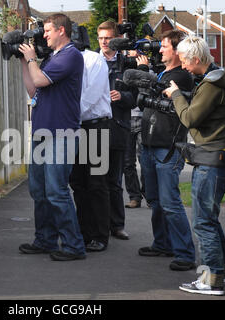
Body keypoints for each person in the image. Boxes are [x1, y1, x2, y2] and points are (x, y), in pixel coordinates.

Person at [164, 35, 225, 295]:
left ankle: (210, 280)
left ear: (196, 59)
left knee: (203, 223)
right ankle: (223, 270)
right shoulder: (217, 77)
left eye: (185, 61)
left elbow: (190, 118)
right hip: (217, 157)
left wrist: (175, 95)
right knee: (210, 220)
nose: (183, 66)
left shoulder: (211, 84)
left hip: (211, 160)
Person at [17, 13, 86, 261]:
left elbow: (39, 79)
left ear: (61, 31)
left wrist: (32, 58)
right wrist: (25, 62)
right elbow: (33, 88)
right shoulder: (53, 58)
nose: (43, 35)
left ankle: (73, 246)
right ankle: (45, 240)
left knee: (57, 191)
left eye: (47, 31)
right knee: (39, 190)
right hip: (41, 131)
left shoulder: (71, 55)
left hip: (61, 133)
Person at [138, 30, 196, 271]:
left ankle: (185, 253)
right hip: (150, 145)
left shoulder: (181, 77)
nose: (159, 50)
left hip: (168, 148)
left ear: (177, 51)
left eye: (163, 46)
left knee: (170, 201)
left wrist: (142, 74)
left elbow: (155, 90)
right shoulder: (163, 72)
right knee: (155, 200)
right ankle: (162, 243)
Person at [69, 47, 113, 252]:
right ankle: (84, 232)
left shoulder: (94, 59)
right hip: (77, 126)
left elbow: (91, 95)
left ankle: (100, 235)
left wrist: (68, 115)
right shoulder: (63, 58)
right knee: (78, 182)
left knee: (96, 182)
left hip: (96, 126)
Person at [97, 20, 136, 240]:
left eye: (108, 38)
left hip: (118, 129)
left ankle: (117, 225)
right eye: (101, 38)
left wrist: (122, 97)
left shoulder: (126, 64)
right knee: (93, 181)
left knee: (114, 181)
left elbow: (137, 98)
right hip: (92, 129)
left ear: (116, 39)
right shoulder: (89, 61)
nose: (104, 42)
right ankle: (97, 225)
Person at [123, 51, 149, 209]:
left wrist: (143, 69)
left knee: (144, 160)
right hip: (126, 119)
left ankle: (149, 194)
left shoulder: (147, 71)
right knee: (127, 163)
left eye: (135, 57)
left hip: (143, 119)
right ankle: (134, 196)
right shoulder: (124, 70)